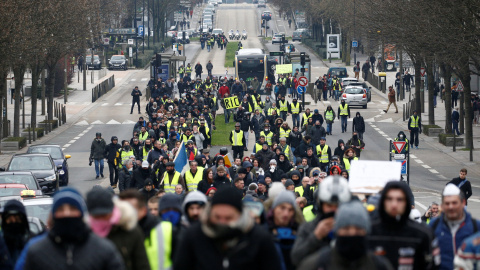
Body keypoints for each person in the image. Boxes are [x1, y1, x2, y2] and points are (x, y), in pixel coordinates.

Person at [173, 187, 282, 270]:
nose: (222, 222)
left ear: (240, 215)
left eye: (229, 218)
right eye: (217, 217)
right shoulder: (193, 236)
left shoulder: (259, 238)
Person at [22, 188, 125, 270]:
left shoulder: (104, 250)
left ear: (82, 214)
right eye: (61, 209)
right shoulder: (37, 251)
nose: (66, 214)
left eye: (72, 209)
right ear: (53, 215)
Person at [298, 200, 393, 270]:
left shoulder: (380, 266)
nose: (352, 233)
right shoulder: (316, 264)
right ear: (337, 231)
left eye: (358, 229)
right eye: (346, 229)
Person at [368, 181, 439, 270]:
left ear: (407, 202)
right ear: (383, 202)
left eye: (399, 199)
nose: (394, 205)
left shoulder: (423, 234)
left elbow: (432, 266)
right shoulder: (369, 231)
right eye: (389, 199)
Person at [291, 176, 351, 266]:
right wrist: (316, 236)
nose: (334, 210)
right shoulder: (308, 227)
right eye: (329, 206)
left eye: (338, 206)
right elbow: (296, 258)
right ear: (321, 206)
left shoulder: (354, 228)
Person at [86, 187, 150, 270]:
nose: (101, 219)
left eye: (104, 215)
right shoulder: (85, 234)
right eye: (97, 217)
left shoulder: (130, 230)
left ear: (112, 211)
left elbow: (142, 264)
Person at [430, 184, 480, 270]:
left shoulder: (476, 226)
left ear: (463, 203)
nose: (451, 207)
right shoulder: (433, 226)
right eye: (447, 203)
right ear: (442, 205)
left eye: (454, 203)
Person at [267, 191, 305, 270]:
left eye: (290, 210)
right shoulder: (263, 233)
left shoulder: (301, 233)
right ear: (274, 209)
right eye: (282, 208)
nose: (286, 214)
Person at [2, 200, 30, 265]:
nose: (14, 222)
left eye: (17, 219)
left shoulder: (32, 243)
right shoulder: (1, 245)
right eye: (10, 220)